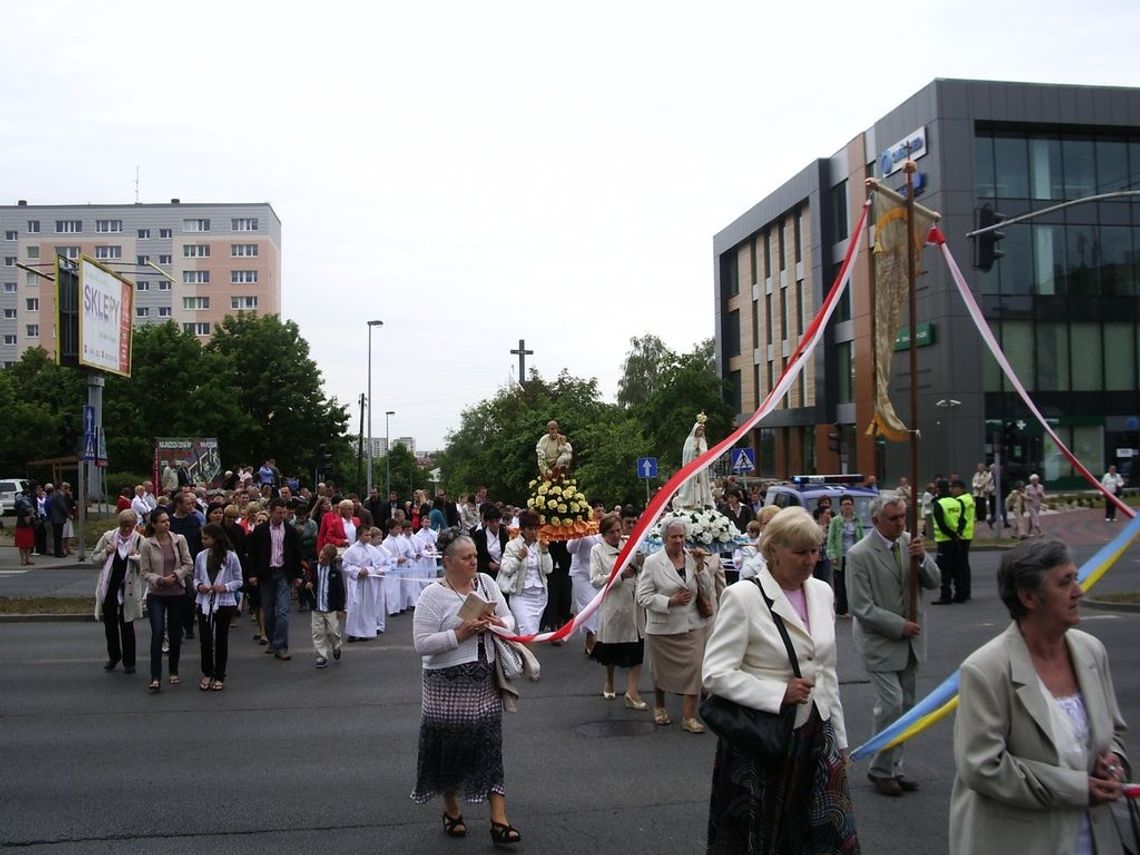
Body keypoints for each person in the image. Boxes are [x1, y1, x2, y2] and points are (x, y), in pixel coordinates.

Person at [949, 539, 1129, 855]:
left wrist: (1113, 764)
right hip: (1022, 841)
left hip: (1096, 838)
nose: (1079, 592)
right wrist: (1077, 788)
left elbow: (1110, 735)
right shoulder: (985, 670)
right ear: (1029, 596)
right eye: (1065, 582)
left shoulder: (1091, 651)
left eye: (1076, 578)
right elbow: (982, 767)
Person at [703, 506, 858, 852]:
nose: (810, 560)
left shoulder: (821, 592)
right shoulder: (742, 597)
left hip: (817, 733)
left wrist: (840, 739)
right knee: (762, 834)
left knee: (824, 833)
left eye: (814, 551)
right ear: (773, 550)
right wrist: (777, 693)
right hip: (764, 739)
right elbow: (715, 674)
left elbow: (826, 672)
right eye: (800, 552)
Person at [410, 528, 521, 845]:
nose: (474, 562)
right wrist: (460, 634)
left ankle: (499, 820)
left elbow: (508, 617)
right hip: (444, 684)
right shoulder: (432, 595)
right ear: (448, 562)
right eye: (467, 557)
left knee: (489, 747)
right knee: (448, 751)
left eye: (475, 556)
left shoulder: (486, 583)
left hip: (483, 679)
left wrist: (500, 623)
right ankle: (451, 809)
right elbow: (421, 644)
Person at [846, 492, 940, 797]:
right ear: (876, 521)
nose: (901, 523)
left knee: (908, 710)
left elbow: (934, 581)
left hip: (912, 643)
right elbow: (861, 607)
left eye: (903, 517)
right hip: (881, 643)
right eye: (894, 518)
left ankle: (894, 767)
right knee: (891, 703)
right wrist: (899, 626)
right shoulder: (859, 555)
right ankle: (879, 769)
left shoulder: (910, 543)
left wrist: (923, 559)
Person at [636, 518, 713, 732]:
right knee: (661, 671)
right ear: (665, 539)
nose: (679, 541)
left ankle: (689, 717)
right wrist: (670, 601)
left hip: (692, 624)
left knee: (695, 668)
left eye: (682, 536)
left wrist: (700, 567)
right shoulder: (652, 562)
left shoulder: (691, 558)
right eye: (674, 537)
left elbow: (706, 588)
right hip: (664, 628)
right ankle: (659, 705)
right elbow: (642, 597)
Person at [589, 513, 646, 708]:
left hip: (634, 605)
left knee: (636, 649)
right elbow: (595, 579)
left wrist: (640, 562)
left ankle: (632, 691)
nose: (616, 535)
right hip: (614, 605)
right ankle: (609, 680)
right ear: (603, 534)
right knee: (611, 651)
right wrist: (619, 576)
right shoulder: (597, 551)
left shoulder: (628, 546)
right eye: (611, 532)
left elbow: (642, 567)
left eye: (618, 530)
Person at [138, 508, 193, 693]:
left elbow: (188, 564)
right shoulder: (147, 544)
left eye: (167, 521)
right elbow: (144, 571)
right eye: (162, 521)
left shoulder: (179, 540)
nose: (166, 524)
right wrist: (160, 579)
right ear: (153, 524)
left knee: (176, 632)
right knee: (158, 631)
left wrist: (176, 576)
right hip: (157, 594)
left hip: (177, 592)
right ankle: (155, 676)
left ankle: (174, 669)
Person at [246, 498, 303, 660]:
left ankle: (281, 646)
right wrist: (252, 574)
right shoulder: (260, 530)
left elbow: (296, 554)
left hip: (283, 573)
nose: (281, 516)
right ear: (271, 512)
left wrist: (298, 575)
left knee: (283, 611)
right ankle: (272, 640)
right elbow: (252, 554)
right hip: (266, 574)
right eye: (278, 513)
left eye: (283, 513)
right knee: (269, 612)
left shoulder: (290, 531)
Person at [192, 522, 243, 691]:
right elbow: (196, 578)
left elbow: (238, 580)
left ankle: (219, 675)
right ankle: (207, 672)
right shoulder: (201, 556)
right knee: (205, 639)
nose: (203, 541)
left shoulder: (230, 557)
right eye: (202, 538)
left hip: (223, 602)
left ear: (215, 539)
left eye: (206, 538)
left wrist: (225, 587)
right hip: (205, 601)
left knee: (221, 639)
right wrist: (200, 587)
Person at [93, 510, 144, 674]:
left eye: (130, 526)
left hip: (128, 588)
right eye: (123, 526)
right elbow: (94, 558)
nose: (127, 530)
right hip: (109, 587)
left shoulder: (139, 540)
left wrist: (137, 558)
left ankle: (130, 661)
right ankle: (114, 656)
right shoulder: (108, 537)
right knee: (110, 625)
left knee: (127, 624)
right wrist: (105, 552)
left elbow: (145, 567)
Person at [497, 511, 552, 636]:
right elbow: (505, 568)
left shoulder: (540, 545)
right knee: (526, 630)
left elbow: (548, 570)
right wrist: (518, 558)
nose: (533, 532)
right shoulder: (512, 545)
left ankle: (528, 655)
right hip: (520, 594)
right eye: (530, 529)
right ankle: (526, 655)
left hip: (539, 595)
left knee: (533, 632)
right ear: (522, 529)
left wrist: (545, 552)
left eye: (536, 529)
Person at [306, 544, 346, 668]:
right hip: (317, 606)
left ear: (331, 560)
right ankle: (321, 656)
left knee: (333, 631)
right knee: (318, 632)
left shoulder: (335, 572)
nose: (321, 561)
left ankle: (336, 646)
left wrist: (340, 608)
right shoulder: (313, 567)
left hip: (331, 607)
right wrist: (307, 586)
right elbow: (307, 580)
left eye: (325, 559)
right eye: (320, 557)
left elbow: (340, 591)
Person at [343, 525, 384, 641]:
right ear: (359, 535)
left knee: (367, 607)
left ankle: (365, 632)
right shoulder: (351, 550)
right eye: (366, 535)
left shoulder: (372, 550)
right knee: (355, 606)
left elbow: (378, 565)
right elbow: (345, 565)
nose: (368, 537)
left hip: (368, 582)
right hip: (356, 582)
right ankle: (352, 632)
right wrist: (357, 571)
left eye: (369, 535)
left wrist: (369, 570)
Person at [826, 494, 864, 618]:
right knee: (841, 583)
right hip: (840, 555)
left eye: (849, 504)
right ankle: (841, 609)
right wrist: (831, 554)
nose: (847, 507)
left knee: (853, 582)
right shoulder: (836, 521)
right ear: (841, 507)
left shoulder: (857, 519)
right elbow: (831, 539)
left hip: (853, 555)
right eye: (844, 504)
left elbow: (861, 537)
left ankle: (852, 607)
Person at [931, 479, 965, 605]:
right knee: (957, 568)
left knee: (944, 570)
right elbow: (963, 521)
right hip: (956, 541)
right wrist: (958, 534)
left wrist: (952, 535)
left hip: (944, 541)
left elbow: (941, 524)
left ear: (939, 489)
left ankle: (945, 596)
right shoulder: (957, 502)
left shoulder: (938, 504)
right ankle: (960, 594)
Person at [676, 416, 714, 509]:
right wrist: (694, 450)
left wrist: (700, 450)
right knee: (691, 486)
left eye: (702, 430)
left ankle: (701, 503)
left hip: (701, 470)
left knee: (701, 487)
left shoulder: (703, 441)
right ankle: (690, 502)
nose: (701, 432)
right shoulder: (689, 440)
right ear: (695, 430)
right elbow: (687, 454)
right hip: (691, 468)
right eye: (699, 430)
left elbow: (705, 454)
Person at [13, 486, 36, 566]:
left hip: (27, 527)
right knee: (22, 545)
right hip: (21, 526)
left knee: (28, 544)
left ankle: (27, 559)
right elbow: (23, 515)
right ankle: (23, 559)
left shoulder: (28, 505)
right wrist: (29, 515)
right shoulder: (20, 505)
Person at [971, 462, 992, 530]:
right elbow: (973, 481)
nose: (979, 468)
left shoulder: (986, 474)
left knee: (982, 505)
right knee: (977, 505)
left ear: (983, 468)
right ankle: (978, 518)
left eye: (980, 467)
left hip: (982, 492)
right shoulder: (976, 474)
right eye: (978, 467)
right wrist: (976, 486)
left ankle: (983, 518)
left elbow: (986, 482)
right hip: (976, 492)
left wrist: (980, 486)